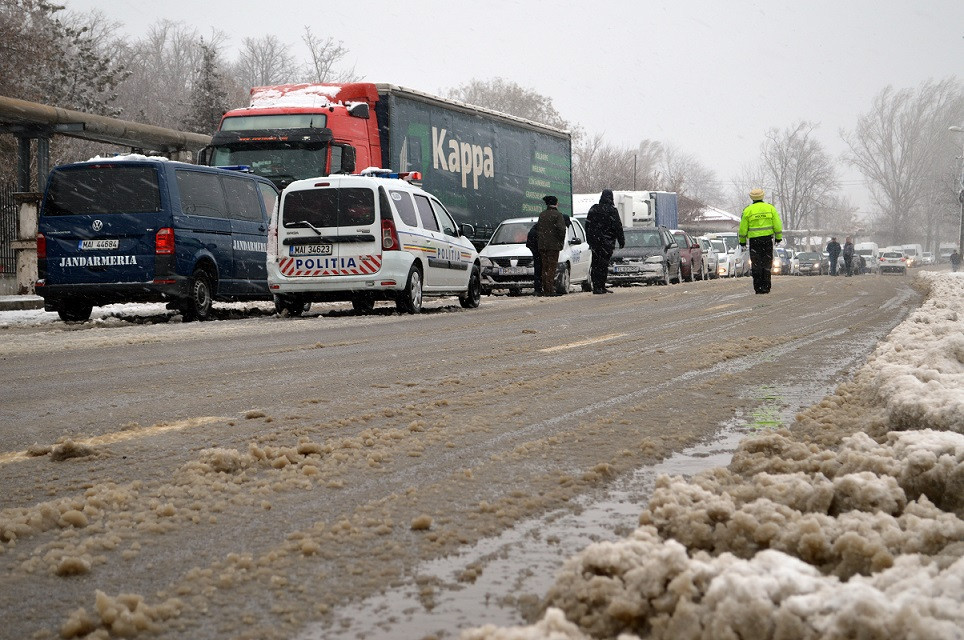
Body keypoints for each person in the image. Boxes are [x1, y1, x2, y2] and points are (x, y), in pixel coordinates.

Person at [738, 188, 783, 294]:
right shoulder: (770, 208)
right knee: (767, 264)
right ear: (762, 196)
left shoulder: (748, 210)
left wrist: (743, 241)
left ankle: (758, 287)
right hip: (767, 240)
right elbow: (777, 224)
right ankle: (766, 286)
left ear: (751, 197)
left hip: (754, 242)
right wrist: (778, 237)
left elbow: (743, 228)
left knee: (756, 264)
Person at [585, 189, 625, 294]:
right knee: (603, 264)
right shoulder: (612, 211)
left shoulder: (594, 209)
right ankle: (601, 286)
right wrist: (621, 240)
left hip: (595, 242)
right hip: (607, 242)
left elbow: (587, 225)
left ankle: (597, 286)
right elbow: (618, 227)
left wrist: (589, 239)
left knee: (595, 264)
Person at [537, 195, 568, 296]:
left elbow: (539, 229)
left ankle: (545, 288)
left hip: (542, 246)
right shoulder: (558, 215)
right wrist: (560, 241)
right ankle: (550, 290)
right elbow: (562, 230)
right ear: (556, 203)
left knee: (544, 267)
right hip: (553, 246)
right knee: (551, 267)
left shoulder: (542, 214)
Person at [525, 221, 542, 295]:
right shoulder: (539, 230)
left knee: (538, 270)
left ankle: (538, 289)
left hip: (535, 250)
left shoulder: (535, 229)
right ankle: (539, 288)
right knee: (539, 269)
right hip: (537, 251)